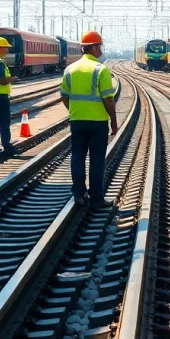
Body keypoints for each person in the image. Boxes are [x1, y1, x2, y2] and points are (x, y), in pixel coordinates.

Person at [60, 31, 118, 208]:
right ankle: (96, 198)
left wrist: (75, 110)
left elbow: (64, 95)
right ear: (93, 47)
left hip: (77, 121)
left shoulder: (70, 69)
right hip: (98, 122)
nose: (101, 49)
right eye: (99, 45)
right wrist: (113, 122)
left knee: (77, 157)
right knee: (97, 159)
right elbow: (108, 99)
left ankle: (78, 195)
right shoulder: (101, 69)